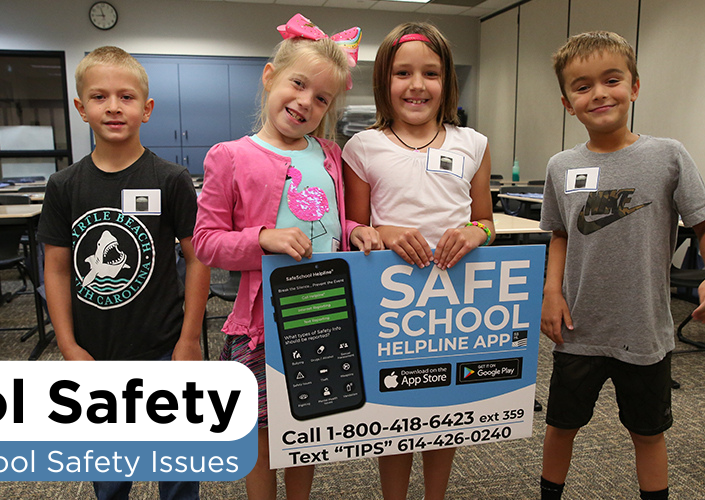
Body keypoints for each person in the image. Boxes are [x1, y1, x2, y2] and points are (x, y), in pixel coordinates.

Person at [192, 14, 382, 500]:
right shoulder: (230, 156)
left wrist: (358, 231)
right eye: (298, 84)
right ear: (270, 76)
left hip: (323, 313)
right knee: (259, 431)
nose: (305, 102)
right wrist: (262, 238)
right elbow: (206, 242)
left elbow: (333, 225)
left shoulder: (329, 154)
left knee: (307, 429)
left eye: (322, 98)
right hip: (263, 321)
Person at [537, 31, 705, 500]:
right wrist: (552, 291)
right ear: (567, 103)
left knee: (647, 433)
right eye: (582, 86)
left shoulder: (667, 156)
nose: (599, 94)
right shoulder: (561, 166)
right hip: (579, 328)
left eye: (612, 80)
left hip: (644, 328)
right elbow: (560, 234)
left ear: (635, 87)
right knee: (562, 425)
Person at [37, 46, 209, 500]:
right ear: (81, 108)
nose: (113, 107)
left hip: (164, 347)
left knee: (178, 469)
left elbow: (198, 258)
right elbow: (56, 268)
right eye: (100, 97)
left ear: (146, 109)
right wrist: (68, 345)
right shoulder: (64, 186)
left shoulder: (171, 179)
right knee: (110, 476)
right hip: (96, 354)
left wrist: (189, 340)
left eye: (126, 97)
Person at [342, 22, 495, 500]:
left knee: (444, 411)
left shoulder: (473, 143)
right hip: (392, 303)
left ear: (446, 81)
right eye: (402, 73)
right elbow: (354, 228)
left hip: (453, 302)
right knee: (395, 412)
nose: (417, 85)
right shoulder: (362, 147)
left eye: (431, 73)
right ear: (383, 81)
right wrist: (384, 233)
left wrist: (474, 233)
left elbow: (487, 222)